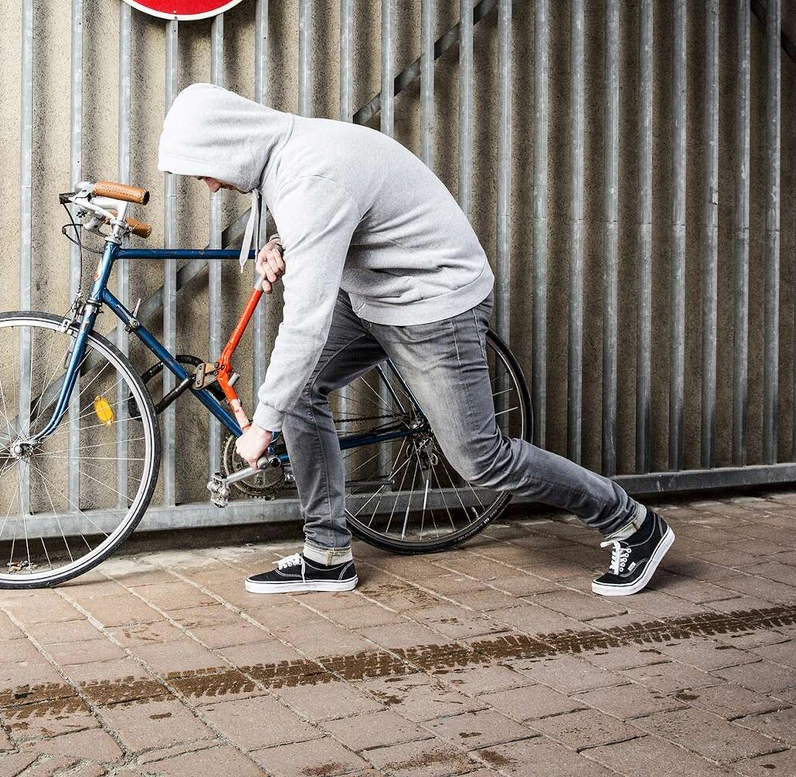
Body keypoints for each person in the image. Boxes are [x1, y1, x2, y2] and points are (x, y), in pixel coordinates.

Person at [157, 83, 675, 597]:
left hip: (434, 303)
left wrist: (262, 425)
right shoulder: (290, 155)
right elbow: (331, 221)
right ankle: (328, 556)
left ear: (227, 145)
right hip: (376, 294)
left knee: (481, 459)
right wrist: (278, 243)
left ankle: (631, 521)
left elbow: (306, 319)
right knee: (298, 394)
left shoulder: (310, 174)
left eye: (202, 169)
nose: (209, 185)